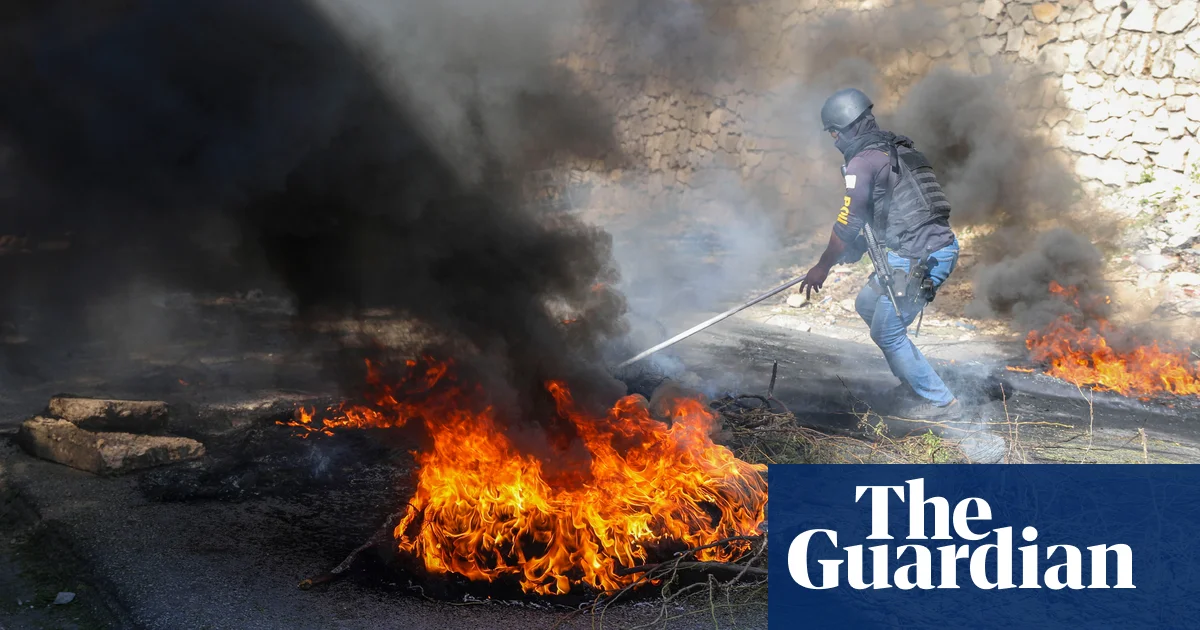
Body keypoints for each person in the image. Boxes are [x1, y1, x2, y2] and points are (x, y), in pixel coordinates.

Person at [798, 88, 962, 420]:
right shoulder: (896, 149)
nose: (834, 140)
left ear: (847, 126)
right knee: (866, 304)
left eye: (834, 133)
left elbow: (848, 223)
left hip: (921, 257)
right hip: (922, 250)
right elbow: (898, 213)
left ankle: (942, 402)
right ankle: (912, 383)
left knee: (887, 332)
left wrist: (822, 267)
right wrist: (860, 247)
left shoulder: (862, 162)